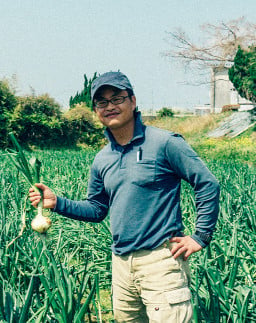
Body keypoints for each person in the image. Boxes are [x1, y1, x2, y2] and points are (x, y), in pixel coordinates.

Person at [29, 72, 220, 322]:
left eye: (117, 98)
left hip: (161, 260)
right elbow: (97, 209)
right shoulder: (102, 158)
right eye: (102, 102)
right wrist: (57, 203)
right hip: (120, 263)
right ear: (96, 110)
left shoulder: (164, 143)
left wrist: (201, 236)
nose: (110, 106)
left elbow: (207, 183)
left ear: (133, 101)